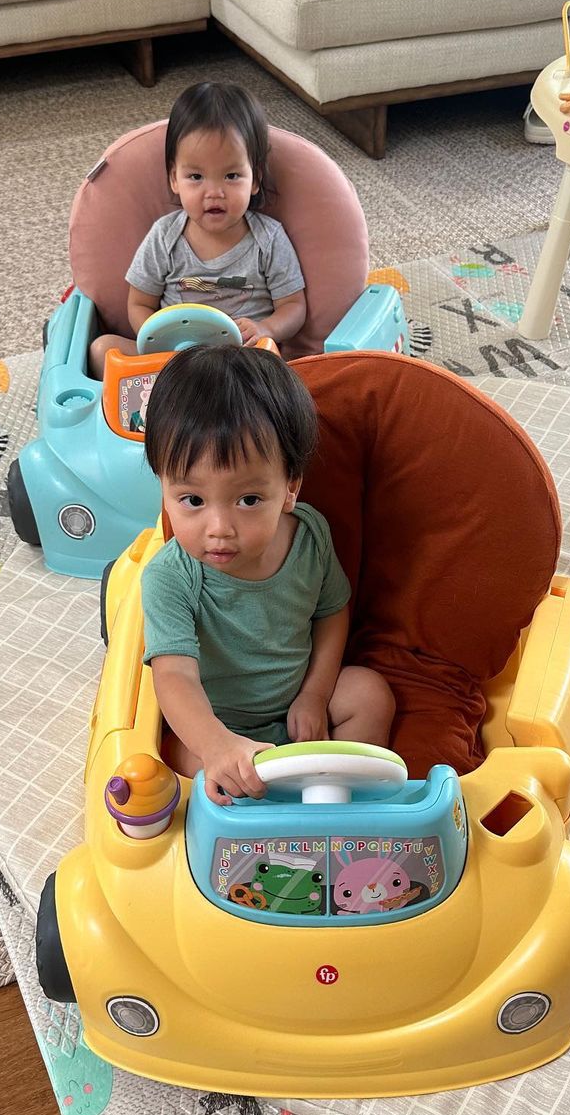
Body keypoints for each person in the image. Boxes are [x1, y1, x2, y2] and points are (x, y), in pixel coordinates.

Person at [140, 344, 396, 806]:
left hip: (300, 707)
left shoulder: (310, 535)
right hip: (218, 722)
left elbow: (331, 613)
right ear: (163, 484)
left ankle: (352, 802)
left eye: (248, 500)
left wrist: (314, 695)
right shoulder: (170, 577)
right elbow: (175, 677)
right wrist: (217, 745)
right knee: (176, 755)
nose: (219, 528)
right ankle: (273, 807)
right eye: (192, 500)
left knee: (369, 693)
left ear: (289, 488)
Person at [89, 82, 308, 377]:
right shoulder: (164, 236)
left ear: (255, 179)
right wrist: (155, 338)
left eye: (231, 176)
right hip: (173, 359)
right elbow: (139, 303)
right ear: (174, 179)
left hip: (242, 364)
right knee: (101, 349)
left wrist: (266, 328)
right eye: (196, 177)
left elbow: (294, 306)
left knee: (280, 371)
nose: (214, 192)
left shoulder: (268, 239)